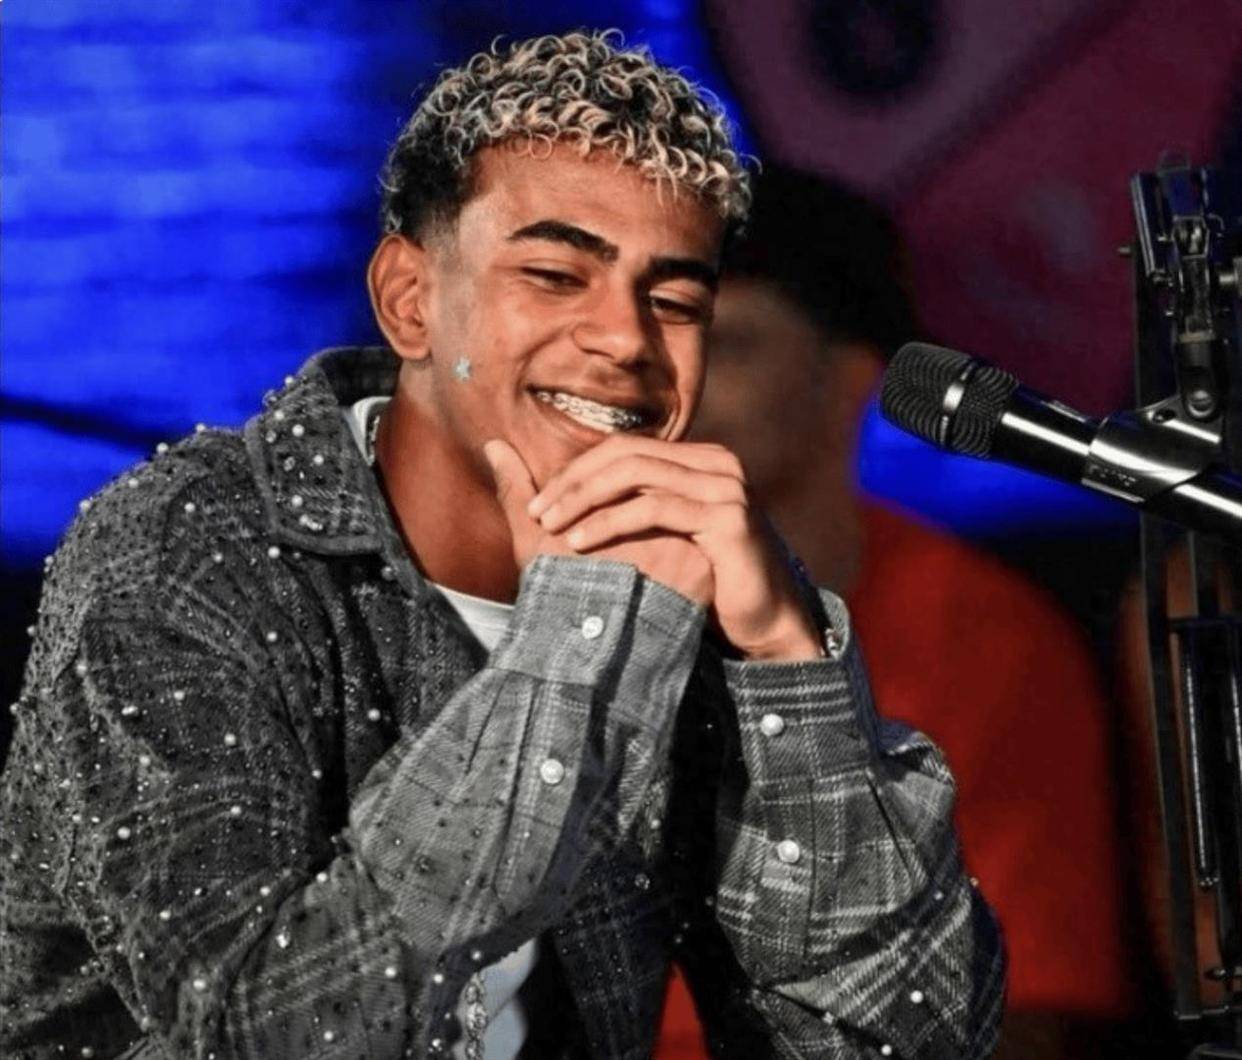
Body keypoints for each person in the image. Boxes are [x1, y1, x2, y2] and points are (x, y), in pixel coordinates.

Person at [0, 33, 1003, 1059]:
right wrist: (570, 641)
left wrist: (791, 663)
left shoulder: (683, 576)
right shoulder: (185, 552)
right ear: (410, 302)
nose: (626, 339)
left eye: (674, 301)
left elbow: (896, 1043)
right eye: (557, 274)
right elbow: (271, 1029)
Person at [656, 165, 1130, 1059]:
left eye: (732, 345)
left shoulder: (984, 636)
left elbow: (1023, 1010)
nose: (676, 385)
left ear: (849, 380)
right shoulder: (556, 607)